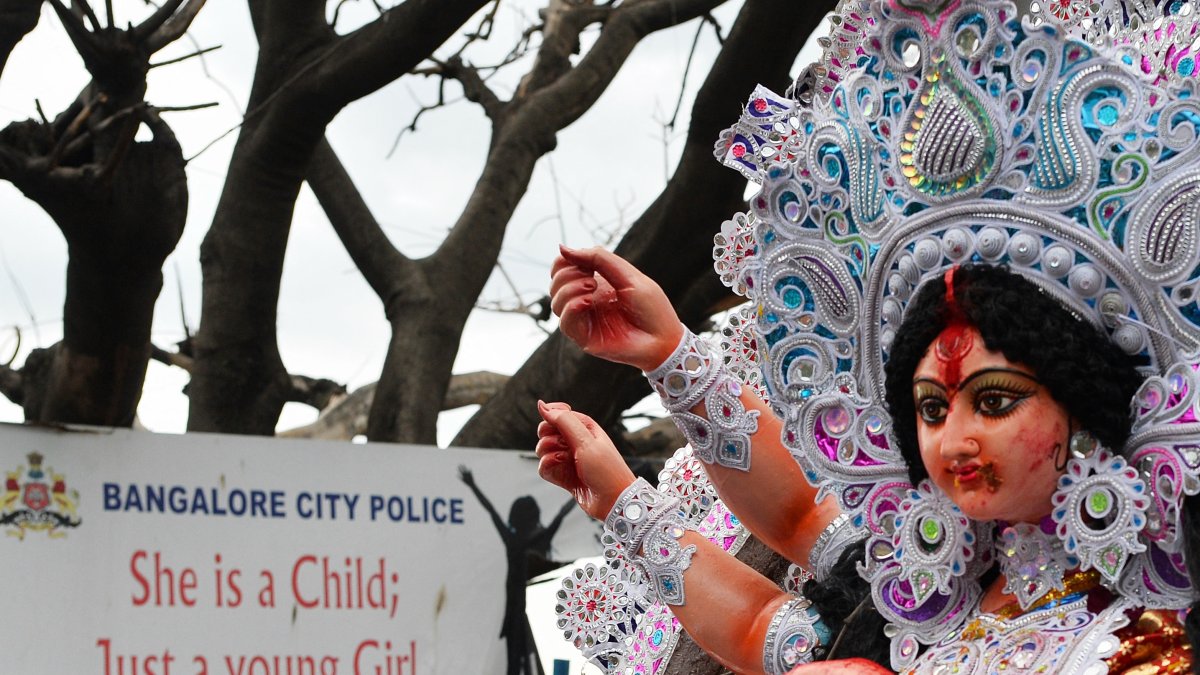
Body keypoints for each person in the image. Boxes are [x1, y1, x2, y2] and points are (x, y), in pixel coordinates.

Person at [535, 0, 1200, 672]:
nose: (954, 440)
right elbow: (789, 549)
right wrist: (664, 365)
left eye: (993, 401)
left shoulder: (1164, 620)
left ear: (1083, 405)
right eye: (932, 410)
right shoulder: (924, 604)